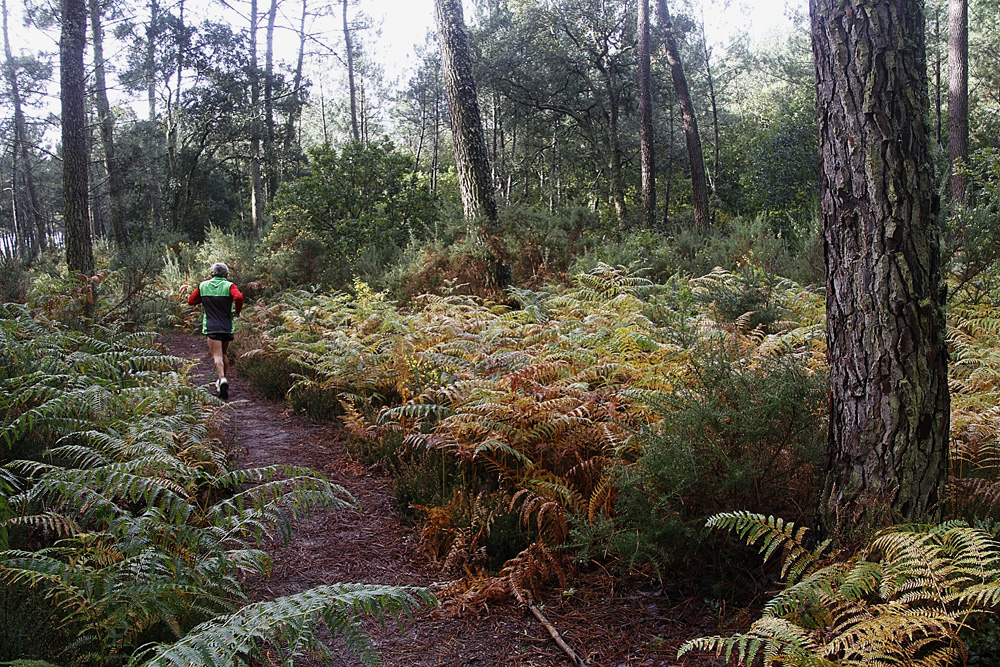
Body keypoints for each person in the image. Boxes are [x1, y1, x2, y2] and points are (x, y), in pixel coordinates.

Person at [187, 262, 243, 399]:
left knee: (217, 356)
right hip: (227, 325)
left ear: (211, 273)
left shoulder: (203, 286)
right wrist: (237, 311)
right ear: (227, 274)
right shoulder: (229, 286)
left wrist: (205, 299)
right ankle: (222, 380)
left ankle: (222, 378)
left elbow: (191, 301)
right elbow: (239, 297)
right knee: (224, 353)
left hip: (211, 325)